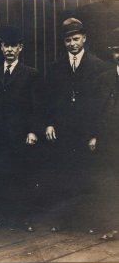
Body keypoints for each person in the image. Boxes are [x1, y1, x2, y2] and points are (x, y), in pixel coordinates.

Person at [45, 18, 106, 232]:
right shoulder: (55, 67)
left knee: (86, 177)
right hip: (63, 132)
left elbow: (101, 104)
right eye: (68, 40)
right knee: (64, 176)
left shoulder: (99, 67)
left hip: (85, 133)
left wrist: (95, 134)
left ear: (85, 38)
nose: (72, 44)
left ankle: (88, 223)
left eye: (76, 39)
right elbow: (49, 99)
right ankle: (64, 223)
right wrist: (50, 123)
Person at [0, 26, 45, 230]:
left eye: (13, 46)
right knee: (0, 175)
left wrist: (33, 131)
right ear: (1, 48)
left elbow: (37, 106)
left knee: (22, 175)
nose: (9, 50)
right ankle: (3, 217)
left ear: (20, 48)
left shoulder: (31, 74)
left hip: (20, 135)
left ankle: (23, 218)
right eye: (5, 46)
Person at [90, 29, 119, 240]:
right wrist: (94, 135)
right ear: (112, 53)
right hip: (110, 140)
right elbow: (94, 110)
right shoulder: (103, 79)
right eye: (117, 50)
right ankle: (114, 226)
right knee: (109, 183)